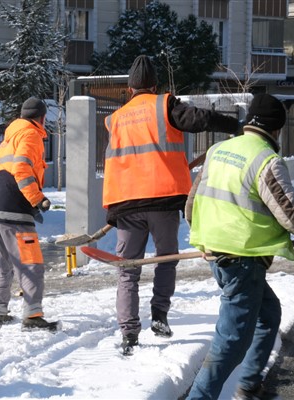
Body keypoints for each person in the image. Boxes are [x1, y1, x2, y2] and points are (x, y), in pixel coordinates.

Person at [184, 93, 294, 399]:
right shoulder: (265, 160)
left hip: (218, 254)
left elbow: (191, 205)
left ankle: (248, 384)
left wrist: (207, 236)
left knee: (269, 313)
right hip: (241, 261)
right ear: (276, 130)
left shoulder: (218, 150)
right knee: (231, 342)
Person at [102, 55, 240, 355]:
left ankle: (128, 332)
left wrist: (113, 212)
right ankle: (160, 316)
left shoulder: (115, 120)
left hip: (125, 204)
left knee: (128, 269)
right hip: (162, 200)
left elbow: (115, 163)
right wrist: (234, 125)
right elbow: (198, 119)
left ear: (129, 90)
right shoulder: (164, 105)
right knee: (166, 258)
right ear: (155, 86)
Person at [0, 97, 59, 332]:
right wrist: (37, 198)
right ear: (42, 118)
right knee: (30, 262)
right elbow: (22, 169)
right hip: (14, 207)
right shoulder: (30, 135)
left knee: (3, 263)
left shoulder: (9, 137)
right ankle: (33, 315)